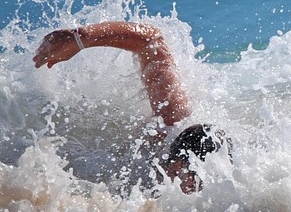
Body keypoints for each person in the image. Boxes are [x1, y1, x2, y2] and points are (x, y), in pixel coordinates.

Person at [33, 21, 230, 193]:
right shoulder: (172, 122)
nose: (193, 190)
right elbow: (151, 40)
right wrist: (79, 38)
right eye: (194, 182)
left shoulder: (229, 187)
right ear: (178, 166)